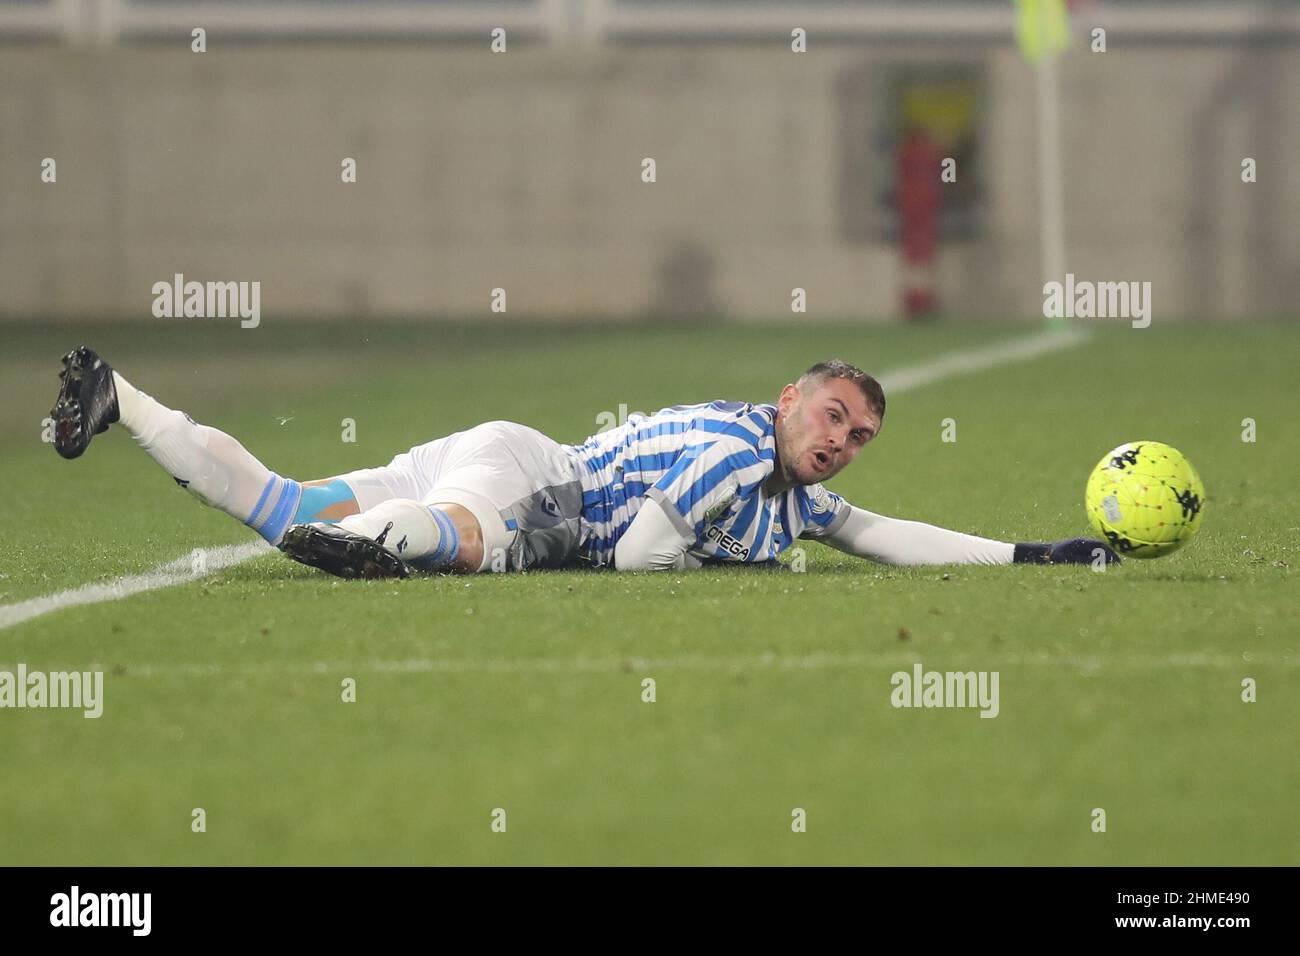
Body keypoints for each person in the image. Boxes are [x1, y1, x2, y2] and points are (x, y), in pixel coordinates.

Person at [49, 347, 1118, 579]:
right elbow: (643, 552)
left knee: (278, 502)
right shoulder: (738, 456)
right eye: (831, 415)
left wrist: (1031, 553)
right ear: (791, 399)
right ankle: (372, 546)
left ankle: (121, 398)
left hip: (513, 452)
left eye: (857, 436)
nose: (840, 442)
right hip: (537, 483)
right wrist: (735, 567)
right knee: (470, 540)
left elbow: (881, 532)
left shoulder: (788, 486)